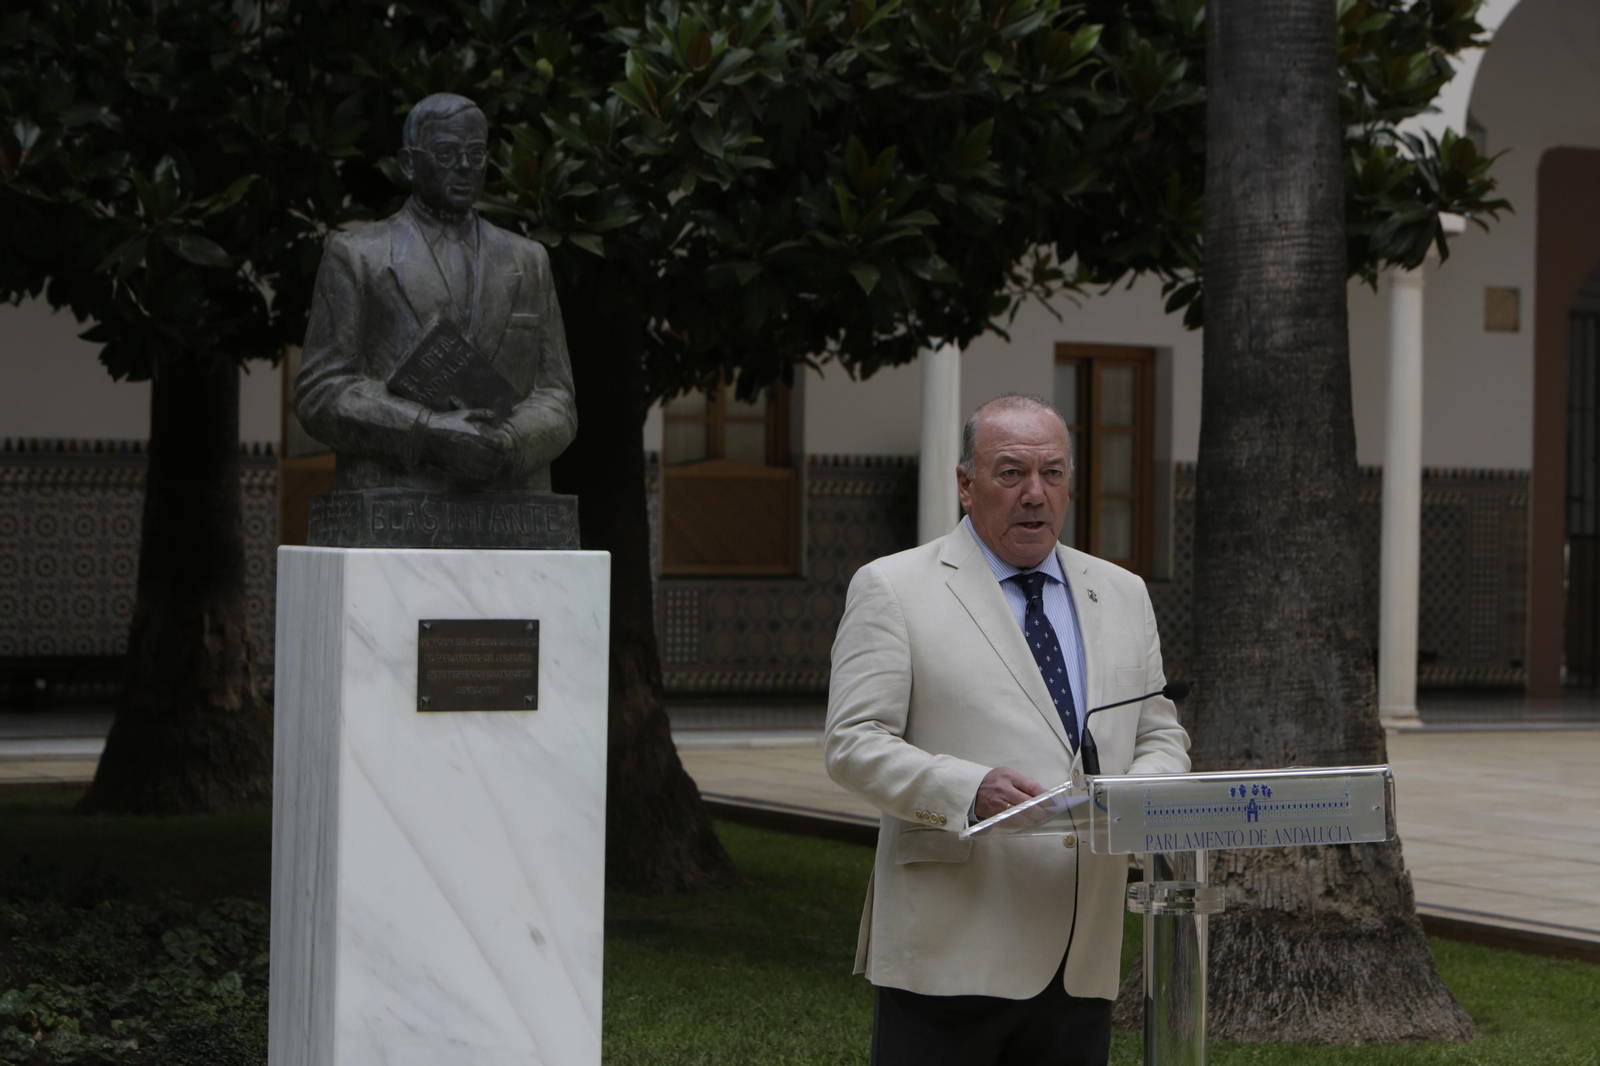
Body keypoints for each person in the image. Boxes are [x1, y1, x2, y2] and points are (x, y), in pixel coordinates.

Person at [824, 393, 1190, 1065]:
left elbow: (1158, 735)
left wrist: (1138, 799)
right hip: (949, 953)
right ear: (967, 485)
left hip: (1080, 955)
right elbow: (853, 742)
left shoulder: (1123, 593)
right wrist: (970, 790)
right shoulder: (893, 587)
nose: (1034, 494)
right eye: (1012, 473)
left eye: (1052, 473)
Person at [296, 93, 575, 490]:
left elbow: (557, 395)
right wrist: (425, 433)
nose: (464, 165)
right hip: (397, 495)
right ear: (408, 163)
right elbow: (319, 392)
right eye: (446, 153)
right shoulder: (357, 256)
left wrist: (511, 443)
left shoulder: (529, 260)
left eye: (476, 153)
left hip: (506, 499)